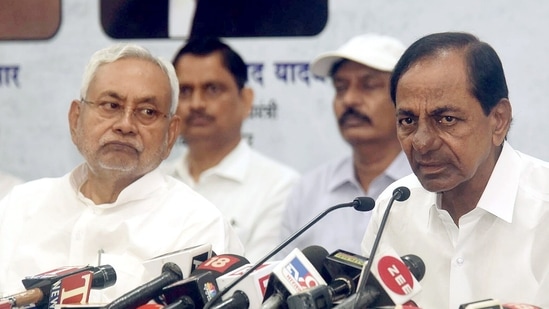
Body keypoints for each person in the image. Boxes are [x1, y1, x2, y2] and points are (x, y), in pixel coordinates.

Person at [0, 43, 244, 302]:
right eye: (110, 105)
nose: (126, 125)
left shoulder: (197, 227)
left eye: (147, 112)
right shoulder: (20, 206)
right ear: (75, 119)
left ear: (171, 134)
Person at [361, 32, 549, 308]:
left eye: (446, 119)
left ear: (498, 120)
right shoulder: (396, 205)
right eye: (408, 120)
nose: (422, 142)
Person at [162, 37, 300, 262]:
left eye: (212, 89)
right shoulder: (155, 180)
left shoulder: (280, 186)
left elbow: (256, 280)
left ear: (246, 100)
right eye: (185, 91)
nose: (197, 103)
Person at [278, 34, 412, 256]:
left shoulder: (430, 184)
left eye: (369, 86)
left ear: (406, 98)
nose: (349, 100)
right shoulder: (309, 190)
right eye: (340, 87)